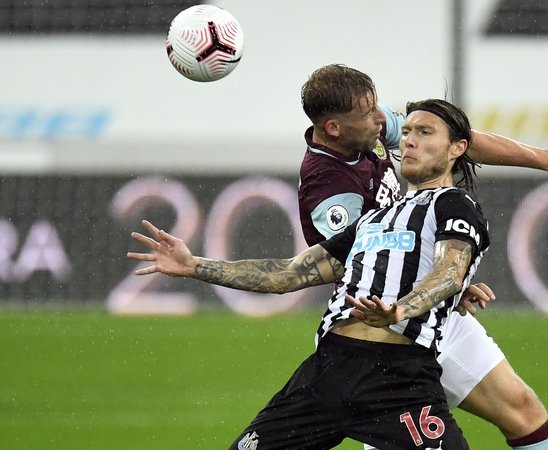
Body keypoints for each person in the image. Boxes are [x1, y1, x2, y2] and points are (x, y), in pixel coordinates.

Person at [128, 99, 493, 449]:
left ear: (457, 148)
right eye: (409, 130)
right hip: (328, 372)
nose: (410, 139)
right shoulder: (371, 220)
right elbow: (289, 274)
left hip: (400, 381)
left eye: (426, 132)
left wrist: (401, 309)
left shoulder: (455, 205)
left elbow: (450, 272)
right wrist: (195, 265)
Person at [298, 65, 548, 449]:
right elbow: (363, 261)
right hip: (382, 330)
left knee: (523, 411)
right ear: (335, 127)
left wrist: (546, 160)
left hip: (430, 310)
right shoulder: (328, 186)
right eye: (369, 114)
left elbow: (457, 138)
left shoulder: (367, 128)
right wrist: (440, 277)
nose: (381, 118)